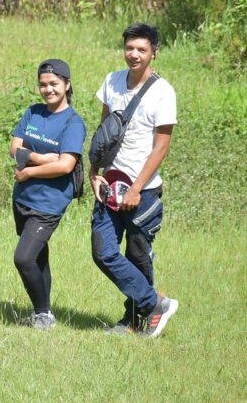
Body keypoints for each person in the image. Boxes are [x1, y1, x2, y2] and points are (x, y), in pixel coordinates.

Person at [90, 23, 178, 337]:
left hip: (144, 190)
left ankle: (134, 319)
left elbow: (162, 146)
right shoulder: (112, 82)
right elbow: (104, 133)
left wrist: (138, 187)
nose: (134, 54)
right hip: (109, 185)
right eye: (130, 48)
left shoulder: (163, 92)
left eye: (141, 49)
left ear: (154, 51)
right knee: (103, 251)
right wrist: (93, 172)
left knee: (137, 255)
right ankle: (156, 303)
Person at [10, 59, 86, 330]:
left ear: (67, 84)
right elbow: (14, 150)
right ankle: (43, 313)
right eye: (43, 84)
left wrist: (29, 170)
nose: (48, 89)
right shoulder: (34, 112)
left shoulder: (73, 123)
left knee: (24, 257)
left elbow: (66, 165)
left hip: (48, 203)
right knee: (39, 256)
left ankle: (43, 314)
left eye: (54, 84)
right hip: (22, 199)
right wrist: (43, 158)